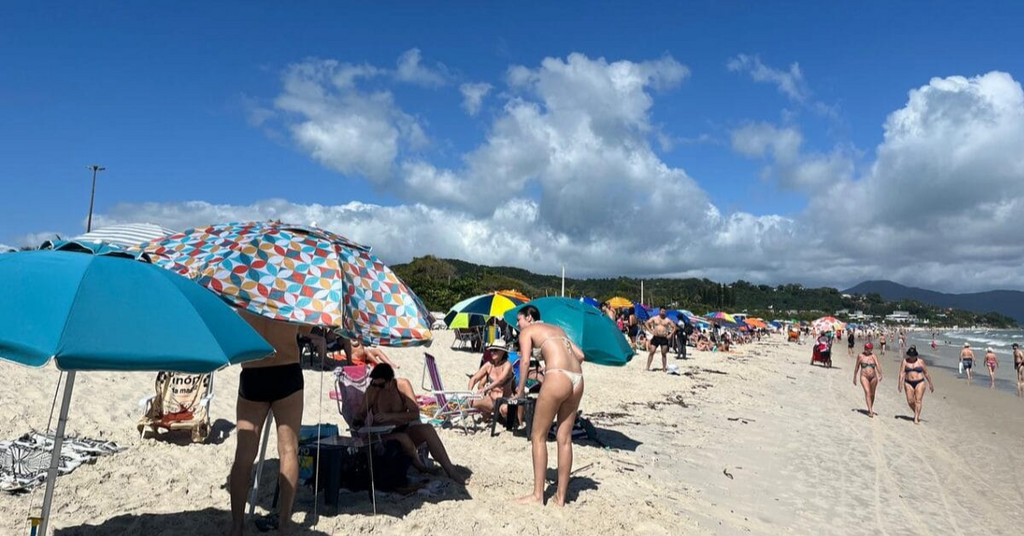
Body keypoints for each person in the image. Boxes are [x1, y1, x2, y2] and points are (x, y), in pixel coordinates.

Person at [229, 311, 312, 535]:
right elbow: (304, 331)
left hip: (253, 372)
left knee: (244, 455)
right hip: (287, 369)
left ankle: (237, 526)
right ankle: (284, 523)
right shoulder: (293, 296)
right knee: (288, 450)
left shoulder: (247, 292)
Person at [515, 305, 585, 507]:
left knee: (538, 436)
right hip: (577, 378)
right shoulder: (558, 330)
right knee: (565, 439)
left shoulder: (528, 332)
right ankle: (560, 498)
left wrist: (520, 391)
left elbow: (525, 362)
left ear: (529, 318)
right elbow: (580, 356)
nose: (518, 325)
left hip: (557, 377)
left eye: (519, 320)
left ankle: (538, 495)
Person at [357, 363, 467, 484]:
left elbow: (415, 413)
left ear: (390, 381)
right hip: (381, 435)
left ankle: (451, 471)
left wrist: (390, 416)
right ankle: (420, 467)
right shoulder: (372, 391)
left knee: (428, 429)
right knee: (402, 437)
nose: (377, 387)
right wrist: (358, 421)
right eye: (374, 384)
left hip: (402, 428)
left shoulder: (402, 386)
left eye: (381, 385)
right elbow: (361, 414)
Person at [468, 340, 514, 419]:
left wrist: (485, 389)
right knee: (469, 402)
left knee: (505, 410)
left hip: (505, 399)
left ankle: (507, 418)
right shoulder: (489, 365)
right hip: (492, 400)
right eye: (491, 350)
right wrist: (469, 393)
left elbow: (500, 380)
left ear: (503, 352)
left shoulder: (507, 365)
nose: (492, 352)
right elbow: (474, 378)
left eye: (495, 350)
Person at [898, 346, 934, 424]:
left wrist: (930, 384)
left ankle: (916, 417)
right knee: (910, 400)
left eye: (913, 355)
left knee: (918, 400)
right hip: (908, 382)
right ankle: (916, 411)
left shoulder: (920, 362)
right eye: (910, 355)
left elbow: (926, 373)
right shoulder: (905, 361)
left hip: (920, 382)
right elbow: (902, 373)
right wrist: (900, 383)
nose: (912, 357)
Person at [853, 342, 883, 417]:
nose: (867, 350)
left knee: (872, 393)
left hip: (873, 377)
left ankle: (870, 407)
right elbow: (857, 367)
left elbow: (877, 365)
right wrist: (855, 377)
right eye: (866, 348)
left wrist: (880, 374)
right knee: (867, 392)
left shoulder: (873, 356)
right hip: (864, 376)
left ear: (871, 349)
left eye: (868, 348)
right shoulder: (860, 356)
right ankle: (870, 410)